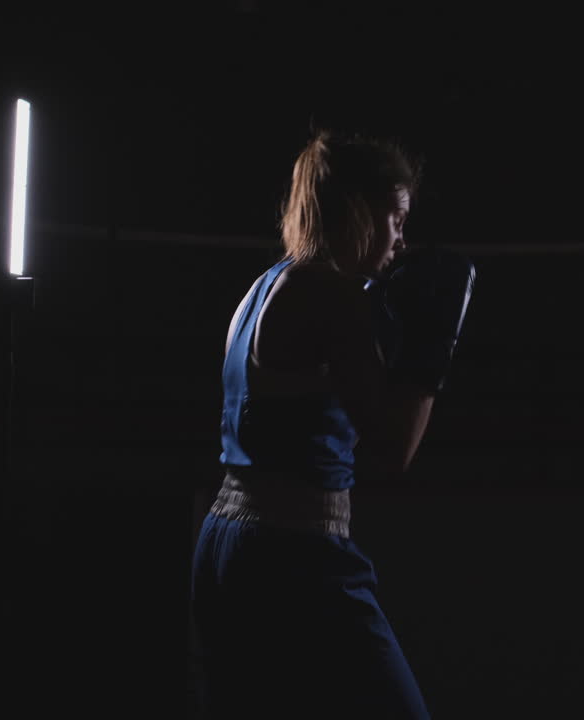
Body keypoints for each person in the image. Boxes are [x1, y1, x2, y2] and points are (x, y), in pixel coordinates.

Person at [189, 130, 474, 719]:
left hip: (225, 541)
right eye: (395, 219)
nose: (401, 239)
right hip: (293, 550)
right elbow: (394, 447)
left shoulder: (264, 286)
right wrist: (430, 356)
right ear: (360, 212)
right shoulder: (330, 295)